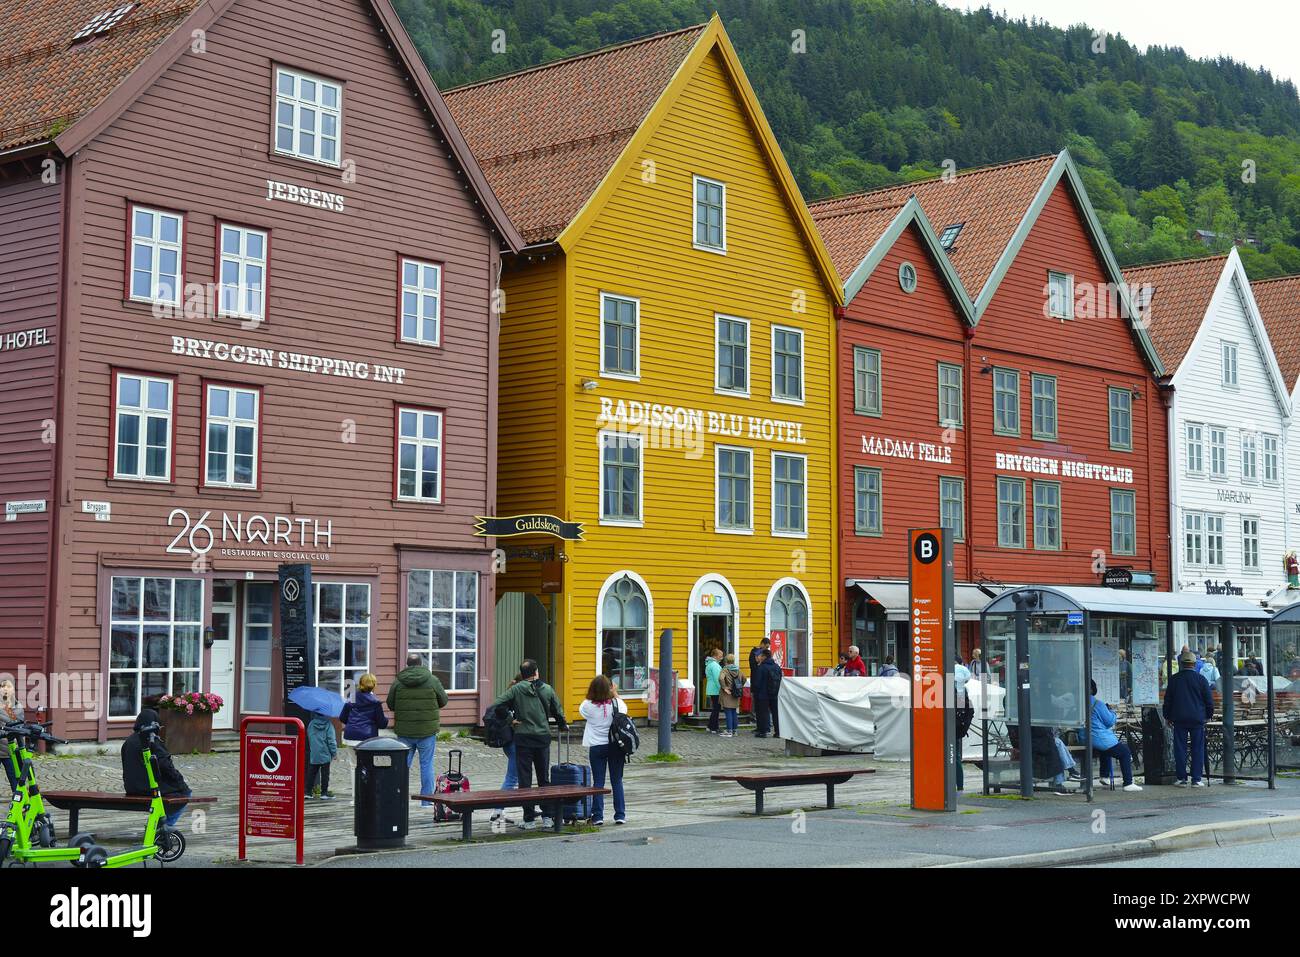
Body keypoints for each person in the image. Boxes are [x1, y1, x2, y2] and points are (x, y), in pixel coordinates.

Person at [493, 659, 568, 830]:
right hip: (542, 738)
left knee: (525, 779)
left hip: (523, 738)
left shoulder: (516, 689)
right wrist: (562, 724)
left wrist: (511, 719)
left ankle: (529, 819)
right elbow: (558, 710)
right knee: (544, 778)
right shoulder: (547, 689)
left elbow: (498, 704)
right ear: (536, 672)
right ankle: (548, 817)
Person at [387, 653, 449, 808]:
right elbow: (444, 700)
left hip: (405, 731)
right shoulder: (432, 680)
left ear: (407, 664)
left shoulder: (398, 682)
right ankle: (426, 801)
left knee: (402, 765)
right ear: (421, 663)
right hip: (427, 731)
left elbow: (390, 704)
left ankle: (397, 798)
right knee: (426, 765)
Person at [122, 708, 191, 827]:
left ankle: (156, 825)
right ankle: (164, 826)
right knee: (186, 794)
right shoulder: (151, 741)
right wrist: (180, 782)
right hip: (151, 789)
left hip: (132, 789)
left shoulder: (128, 742)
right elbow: (166, 766)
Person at [579, 675, 628, 825]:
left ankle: (598, 816)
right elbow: (624, 712)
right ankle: (620, 815)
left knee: (598, 782)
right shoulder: (617, 703)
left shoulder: (587, 705)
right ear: (610, 688)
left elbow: (581, 710)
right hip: (615, 745)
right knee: (616, 780)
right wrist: (615, 693)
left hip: (596, 746)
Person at [1163, 649, 1214, 787]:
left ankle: (1181, 778)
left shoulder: (1174, 680)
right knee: (1198, 748)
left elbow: (1168, 701)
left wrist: (1167, 716)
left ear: (1181, 663)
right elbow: (1209, 701)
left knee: (1180, 749)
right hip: (1198, 719)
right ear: (1194, 663)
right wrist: (1209, 715)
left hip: (1179, 719)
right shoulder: (1201, 680)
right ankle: (1196, 779)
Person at [1088, 680, 1141, 791]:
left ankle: (1105, 775)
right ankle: (1128, 783)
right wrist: (1112, 711)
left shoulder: (1079, 703)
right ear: (1093, 689)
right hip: (1096, 737)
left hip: (1083, 738)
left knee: (1106, 749)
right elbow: (1109, 721)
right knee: (1125, 752)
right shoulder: (1097, 704)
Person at [490, 673, 523, 824]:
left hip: (509, 741)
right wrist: (512, 720)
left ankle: (499, 810)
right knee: (512, 778)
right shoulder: (516, 698)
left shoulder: (509, 696)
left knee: (515, 777)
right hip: (514, 742)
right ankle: (498, 810)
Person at [340, 673, 388, 743]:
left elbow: (342, 718)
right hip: (368, 737)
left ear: (360, 683)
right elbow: (382, 724)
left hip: (350, 735)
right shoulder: (376, 702)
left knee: (353, 754)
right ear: (374, 685)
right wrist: (386, 719)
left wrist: (352, 723)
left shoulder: (352, 698)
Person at [305, 710, 338, 799]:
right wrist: (334, 753)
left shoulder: (311, 724)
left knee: (312, 773)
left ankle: (308, 792)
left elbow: (309, 736)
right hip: (325, 754)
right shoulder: (328, 724)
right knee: (325, 774)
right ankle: (324, 793)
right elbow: (331, 741)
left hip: (314, 753)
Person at [751, 649, 783, 738]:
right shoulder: (777, 666)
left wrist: (755, 692)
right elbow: (781, 679)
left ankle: (763, 732)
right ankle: (778, 732)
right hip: (775, 693)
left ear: (764, 656)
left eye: (760, 655)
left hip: (763, 694)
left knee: (763, 713)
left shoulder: (761, 667)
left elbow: (757, 682)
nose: (759, 657)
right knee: (775, 713)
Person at [1, 680, 24, 793]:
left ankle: (19, 803)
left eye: (8, 686)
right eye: (2, 686)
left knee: (15, 778)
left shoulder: (17, 706)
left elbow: (14, 721)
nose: (5, 689)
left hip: (10, 750)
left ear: (13, 689)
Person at [719, 654, 744, 737]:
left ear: (726, 661)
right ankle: (734, 731)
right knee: (734, 711)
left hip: (728, 693)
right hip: (736, 692)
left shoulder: (725, 669)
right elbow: (744, 679)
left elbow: (721, 678)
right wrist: (739, 686)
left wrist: (724, 687)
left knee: (728, 711)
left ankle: (729, 731)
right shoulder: (738, 669)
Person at [704, 647, 723, 734]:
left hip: (711, 689)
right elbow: (717, 678)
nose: (721, 657)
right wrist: (721, 688)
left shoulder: (709, 664)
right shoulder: (714, 665)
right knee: (716, 709)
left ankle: (710, 726)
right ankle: (714, 727)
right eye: (720, 656)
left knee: (715, 708)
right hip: (715, 689)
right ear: (715, 656)